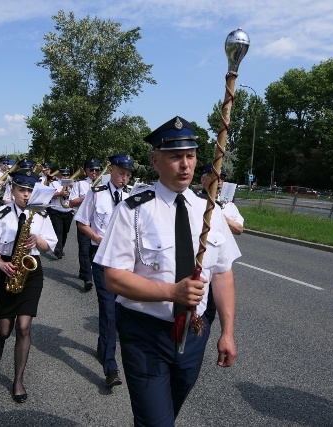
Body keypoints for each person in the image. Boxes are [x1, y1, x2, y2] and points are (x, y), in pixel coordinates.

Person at [94, 116, 241, 426]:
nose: (185, 165)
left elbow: (223, 272)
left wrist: (227, 331)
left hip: (194, 332)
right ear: (156, 161)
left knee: (164, 415)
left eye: (190, 156)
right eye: (175, 157)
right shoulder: (133, 211)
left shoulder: (209, 212)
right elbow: (114, 277)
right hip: (145, 333)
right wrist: (171, 292)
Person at [0, 169, 57, 403]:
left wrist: (38, 240)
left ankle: (18, 380)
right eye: (21, 190)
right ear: (12, 190)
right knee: (5, 329)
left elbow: (49, 246)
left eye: (30, 190)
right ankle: (0, 341)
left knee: (24, 327)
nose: (25, 195)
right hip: (6, 270)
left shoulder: (41, 215)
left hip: (31, 273)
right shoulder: (1, 213)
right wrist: (0, 264)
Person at [74, 153, 133, 388]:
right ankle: (111, 367)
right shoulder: (96, 194)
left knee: (119, 311)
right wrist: (98, 237)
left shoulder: (132, 197)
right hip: (101, 258)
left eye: (128, 175)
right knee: (108, 309)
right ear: (111, 171)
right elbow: (81, 222)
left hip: (125, 261)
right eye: (121, 173)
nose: (124, 179)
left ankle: (102, 346)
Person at [199, 164, 244, 326]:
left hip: (219, 263)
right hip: (199, 261)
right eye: (214, 176)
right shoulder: (195, 200)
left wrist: (224, 219)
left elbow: (239, 229)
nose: (218, 181)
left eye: (222, 178)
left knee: (210, 309)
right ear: (203, 180)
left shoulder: (228, 205)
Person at [69, 159, 102, 291]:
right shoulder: (80, 184)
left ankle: (86, 271)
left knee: (94, 251)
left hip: (99, 222)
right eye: (91, 170)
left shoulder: (105, 184)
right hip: (84, 221)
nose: (94, 172)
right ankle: (87, 278)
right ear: (86, 170)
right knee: (84, 249)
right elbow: (71, 203)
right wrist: (88, 196)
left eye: (97, 170)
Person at [47, 167, 75, 259]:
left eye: (67, 175)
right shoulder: (54, 184)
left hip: (68, 210)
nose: (65, 177)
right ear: (60, 175)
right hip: (56, 210)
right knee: (58, 230)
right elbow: (48, 195)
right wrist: (59, 194)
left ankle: (60, 248)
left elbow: (77, 196)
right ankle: (57, 249)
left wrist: (72, 189)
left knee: (65, 231)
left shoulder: (73, 184)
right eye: (64, 175)